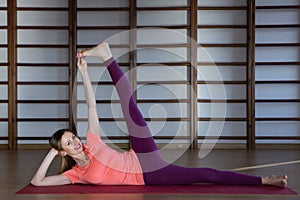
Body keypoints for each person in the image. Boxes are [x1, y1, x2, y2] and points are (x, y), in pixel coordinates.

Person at [31, 42, 287, 187]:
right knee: (206, 175)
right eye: (68, 142)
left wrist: (85, 72)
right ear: (63, 151)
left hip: (141, 155)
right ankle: (266, 181)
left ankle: (106, 56)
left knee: (129, 106)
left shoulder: (92, 143)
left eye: (72, 136)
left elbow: (91, 105)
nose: (75, 140)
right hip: (149, 175)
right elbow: (37, 182)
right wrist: (52, 151)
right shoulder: (75, 175)